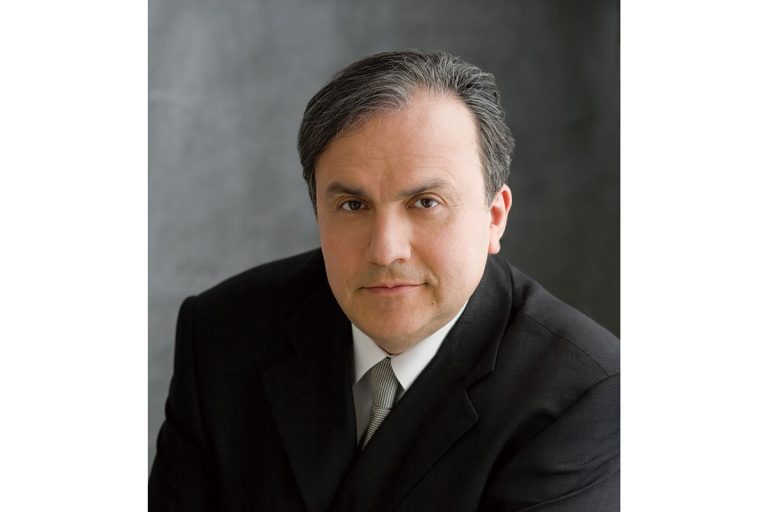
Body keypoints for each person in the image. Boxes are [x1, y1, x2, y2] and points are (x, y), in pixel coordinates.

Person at [149, 50, 619, 511]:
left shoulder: (585, 394)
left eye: (426, 202)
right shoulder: (223, 333)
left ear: (494, 217)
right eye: (353, 205)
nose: (385, 249)